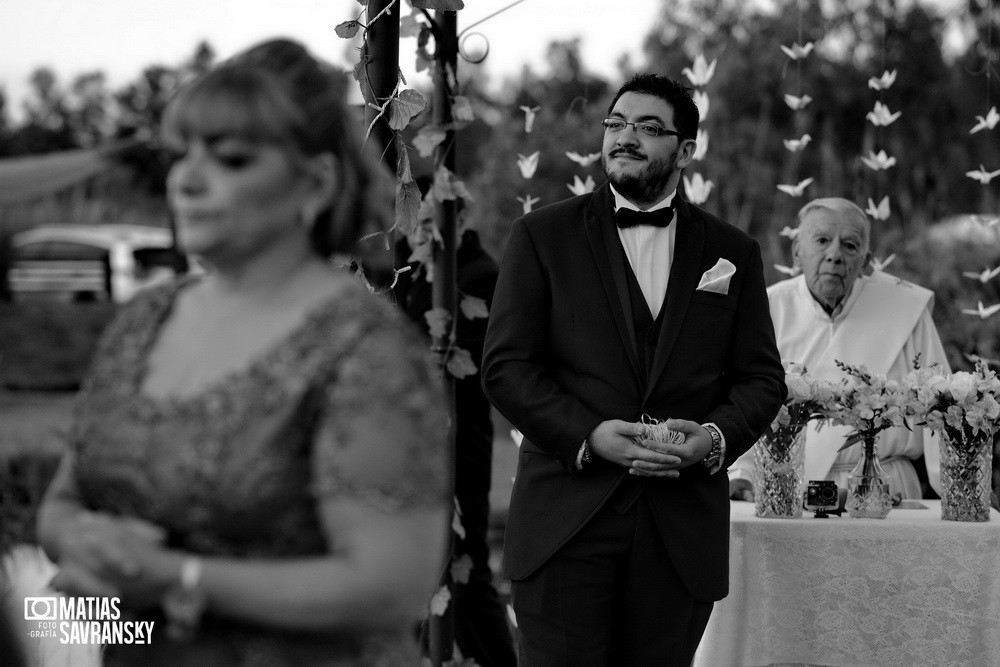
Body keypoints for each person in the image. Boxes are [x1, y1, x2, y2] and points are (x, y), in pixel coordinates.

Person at [35, 38, 450, 667]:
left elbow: (391, 587)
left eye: (229, 159)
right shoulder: (144, 319)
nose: (187, 180)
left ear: (315, 181)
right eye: (181, 155)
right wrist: (86, 554)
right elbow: (66, 504)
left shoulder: (362, 346)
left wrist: (178, 579)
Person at [481, 73, 786, 666]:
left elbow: (761, 378)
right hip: (566, 524)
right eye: (617, 124)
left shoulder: (733, 253)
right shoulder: (541, 236)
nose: (626, 137)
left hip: (678, 534)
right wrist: (589, 436)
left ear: (686, 150)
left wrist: (715, 438)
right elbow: (507, 367)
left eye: (649, 128)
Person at [729, 197, 950, 501]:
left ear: (866, 261)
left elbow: (942, 407)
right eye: (822, 241)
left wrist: (957, 493)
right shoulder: (765, 308)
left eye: (850, 245)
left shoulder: (906, 311)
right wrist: (741, 476)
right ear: (797, 253)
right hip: (784, 491)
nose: (834, 255)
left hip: (886, 489)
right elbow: (741, 401)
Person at [392, 218, 517, 667]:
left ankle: (499, 660)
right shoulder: (404, 268)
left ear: (457, 217)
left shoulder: (480, 274)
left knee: (463, 566)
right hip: (402, 439)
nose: (417, 232)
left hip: (458, 438)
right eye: (413, 223)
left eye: (428, 221)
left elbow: (468, 366)